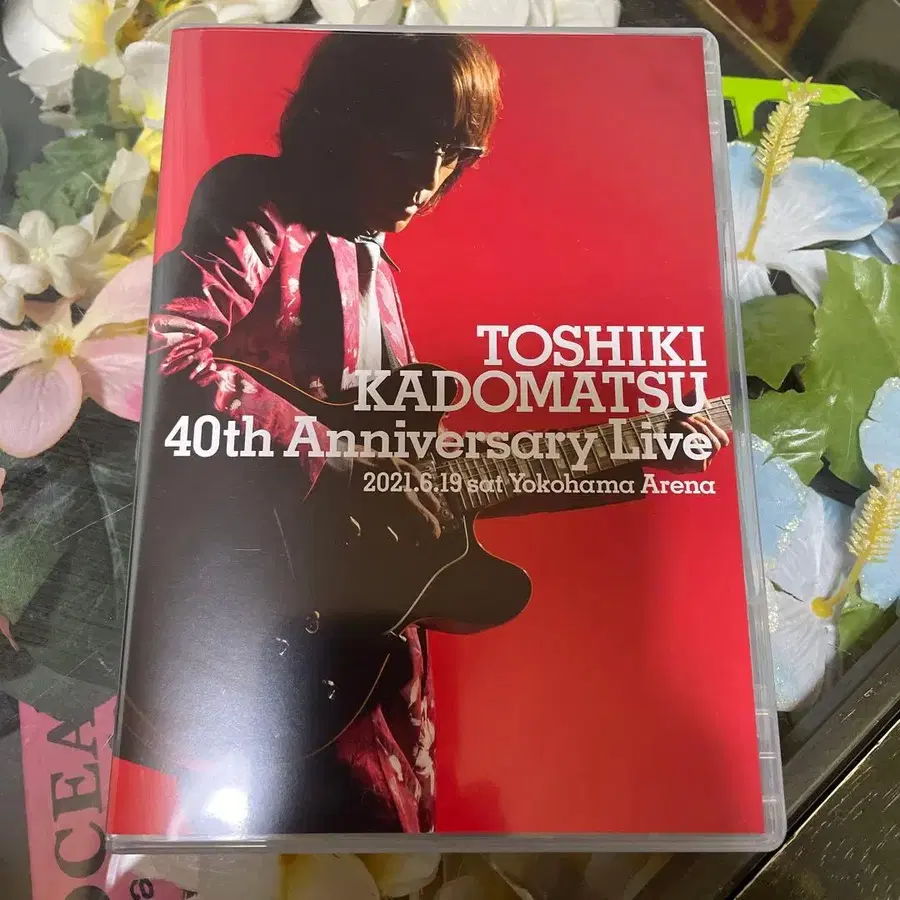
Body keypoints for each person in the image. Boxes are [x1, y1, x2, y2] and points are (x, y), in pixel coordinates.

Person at [136, 32, 728, 835]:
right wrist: (336, 458)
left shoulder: (377, 270)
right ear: (339, 122)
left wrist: (639, 446)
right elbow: (163, 355)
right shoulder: (259, 202)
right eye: (403, 146)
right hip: (267, 639)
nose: (428, 180)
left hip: (365, 657)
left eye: (457, 155)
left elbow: (419, 480)